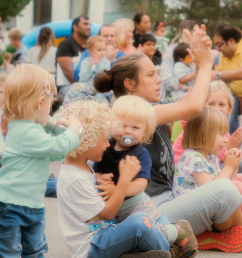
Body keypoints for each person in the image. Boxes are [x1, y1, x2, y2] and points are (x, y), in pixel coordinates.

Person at [93, 26, 242, 252]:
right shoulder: (129, 117)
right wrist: (205, 64)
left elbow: (192, 98)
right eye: (151, 75)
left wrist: (203, 59)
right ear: (130, 85)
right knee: (225, 190)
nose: (159, 79)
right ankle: (214, 234)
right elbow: (194, 105)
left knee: (240, 183)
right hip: (153, 210)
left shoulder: (151, 108)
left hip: (169, 200)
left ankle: (212, 234)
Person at [55, 99, 194, 258]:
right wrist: (124, 179)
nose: (108, 144)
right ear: (87, 142)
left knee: (143, 222)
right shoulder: (74, 178)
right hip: (92, 246)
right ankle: (166, 252)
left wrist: (103, 180)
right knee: (140, 223)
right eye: (103, 139)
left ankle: (152, 251)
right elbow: (108, 214)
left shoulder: (84, 167)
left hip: (107, 234)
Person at [92, 95, 198, 257]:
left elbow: (141, 184)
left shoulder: (141, 153)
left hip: (138, 206)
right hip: (115, 210)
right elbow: (98, 168)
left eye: (135, 128)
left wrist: (117, 189)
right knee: (139, 236)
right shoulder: (106, 147)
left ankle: (178, 231)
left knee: (153, 229)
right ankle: (171, 246)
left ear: (145, 132)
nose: (127, 131)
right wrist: (101, 178)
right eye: (122, 125)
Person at [0, 64, 82, 257]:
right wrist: (73, 130)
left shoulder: (30, 129)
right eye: (50, 106)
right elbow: (59, 146)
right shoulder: (26, 132)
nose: (49, 111)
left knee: (36, 249)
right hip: (12, 205)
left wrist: (53, 126)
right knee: (9, 251)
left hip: (32, 204)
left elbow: (56, 154)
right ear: (40, 103)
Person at [174, 107, 242, 248]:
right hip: (195, 215)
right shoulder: (192, 158)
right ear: (204, 135)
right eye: (221, 135)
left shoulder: (209, 156)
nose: (226, 140)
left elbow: (227, 181)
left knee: (241, 179)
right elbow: (212, 190)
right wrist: (227, 167)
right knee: (236, 186)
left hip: (209, 209)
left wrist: (233, 165)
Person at [173, 80, 242, 166]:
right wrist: (228, 147)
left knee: (240, 166)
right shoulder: (198, 129)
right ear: (202, 106)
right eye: (211, 104)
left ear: (229, 109)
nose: (216, 109)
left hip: (205, 170)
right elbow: (205, 162)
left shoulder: (223, 130)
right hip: (187, 173)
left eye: (221, 104)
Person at [56, 16, 91, 87]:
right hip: (66, 87)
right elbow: (69, 74)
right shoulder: (65, 44)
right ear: (75, 27)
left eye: (90, 25)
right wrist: (87, 87)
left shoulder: (90, 45)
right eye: (85, 24)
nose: (89, 27)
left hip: (87, 86)